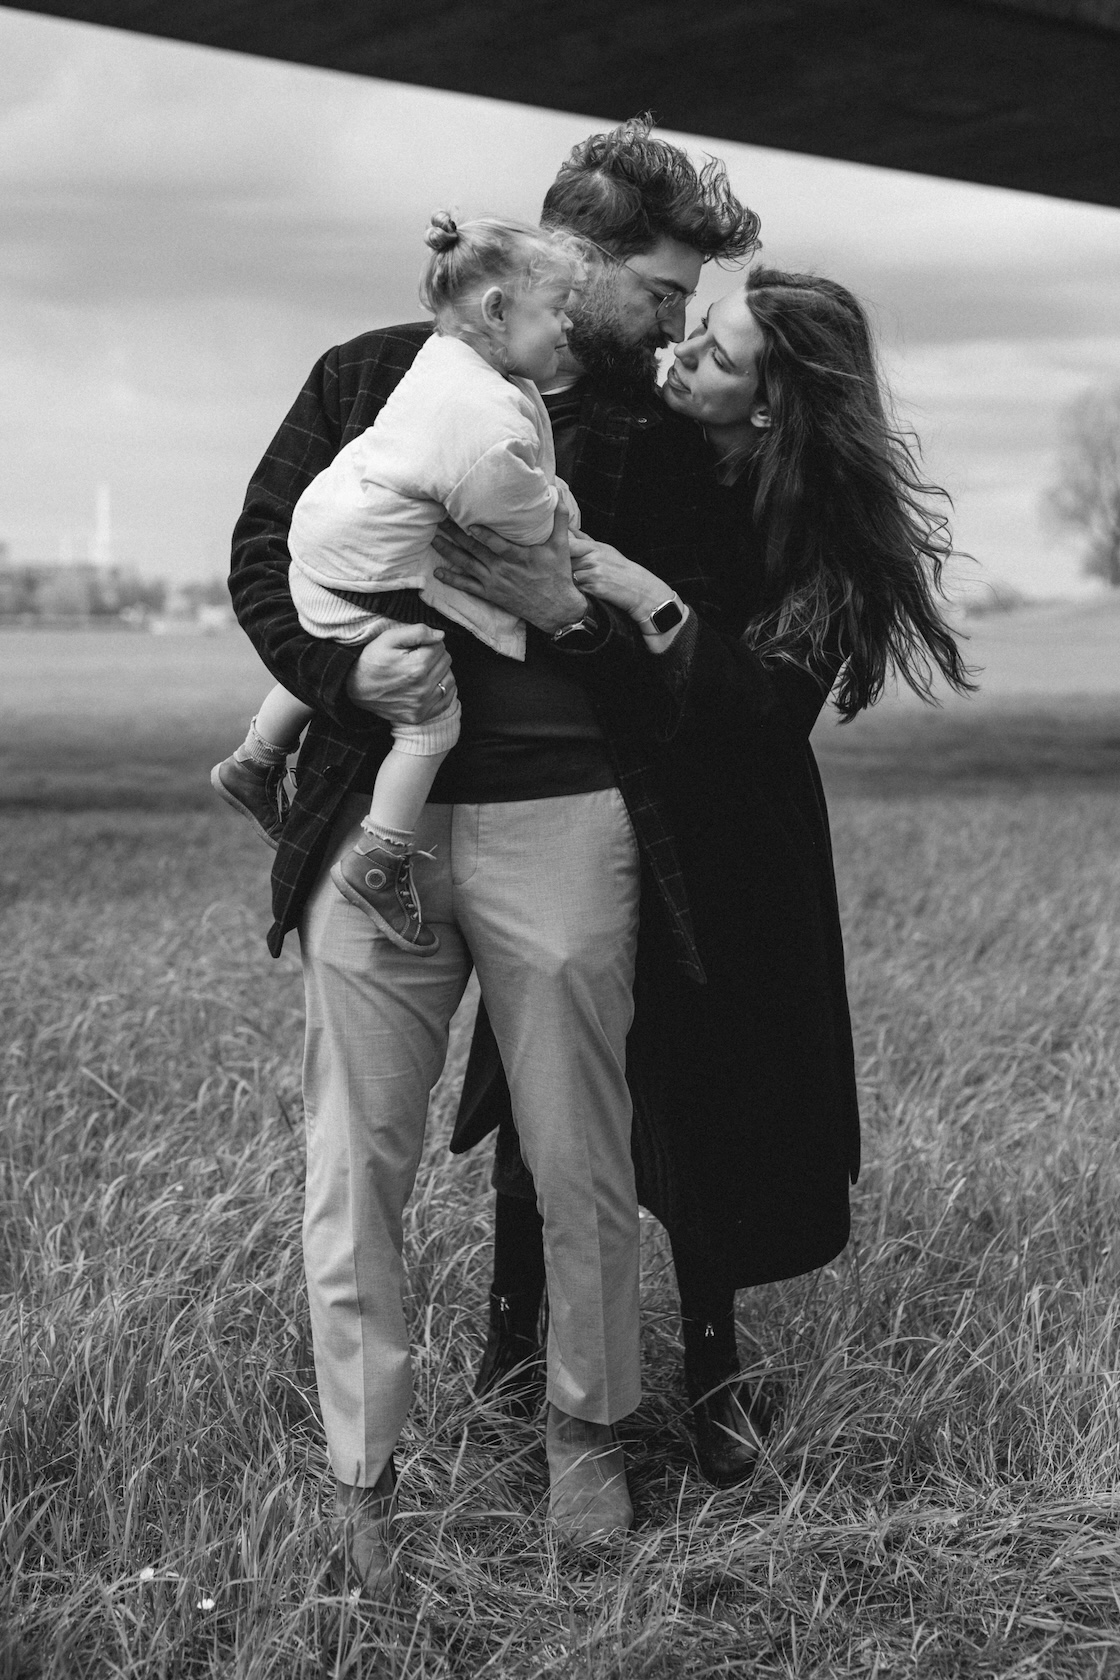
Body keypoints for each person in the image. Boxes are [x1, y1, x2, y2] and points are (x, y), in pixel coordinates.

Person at [225, 114, 760, 1592]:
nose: (667, 325)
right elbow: (266, 554)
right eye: (656, 289)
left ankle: (587, 1439)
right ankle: (362, 1472)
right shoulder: (362, 375)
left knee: (582, 1153)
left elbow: (682, 664)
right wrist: (346, 688)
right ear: (570, 262)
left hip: (569, 826)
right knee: (357, 1163)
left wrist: (565, 605)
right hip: (374, 824)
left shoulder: (658, 440)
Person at [436, 265, 974, 1488]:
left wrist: (643, 596)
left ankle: (716, 1375)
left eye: (714, 357)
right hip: (599, 805)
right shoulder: (643, 453)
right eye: (689, 336)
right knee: (541, 1084)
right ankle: (509, 1352)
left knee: (703, 1101)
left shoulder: (819, 533)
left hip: (734, 842)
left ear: (774, 405)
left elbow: (763, 712)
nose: (678, 360)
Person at [214, 213, 582, 952]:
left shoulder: (448, 360)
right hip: (361, 567)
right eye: (558, 310)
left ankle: (255, 759)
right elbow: (506, 516)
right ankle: (381, 853)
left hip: (331, 547)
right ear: (498, 311)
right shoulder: (480, 411)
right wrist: (558, 511)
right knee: (428, 710)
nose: (569, 327)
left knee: (343, 632)